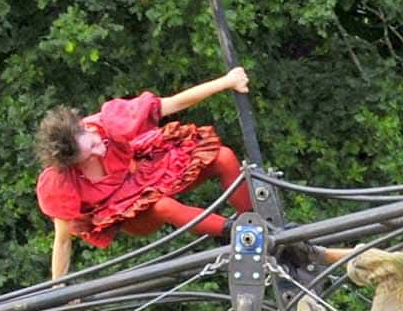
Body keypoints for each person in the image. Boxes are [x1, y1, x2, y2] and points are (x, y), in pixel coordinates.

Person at [34, 66, 255, 280]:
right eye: (90, 154)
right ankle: (243, 235)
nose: (99, 149)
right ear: (73, 163)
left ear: (88, 129)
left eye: (94, 141)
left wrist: (227, 81)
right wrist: (59, 285)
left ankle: (257, 221)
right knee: (164, 206)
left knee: (223, 157)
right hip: (131, 211)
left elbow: (174, 103)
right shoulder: (62, 182)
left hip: (145, 174)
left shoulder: (110, 123)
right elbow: (62, 240)